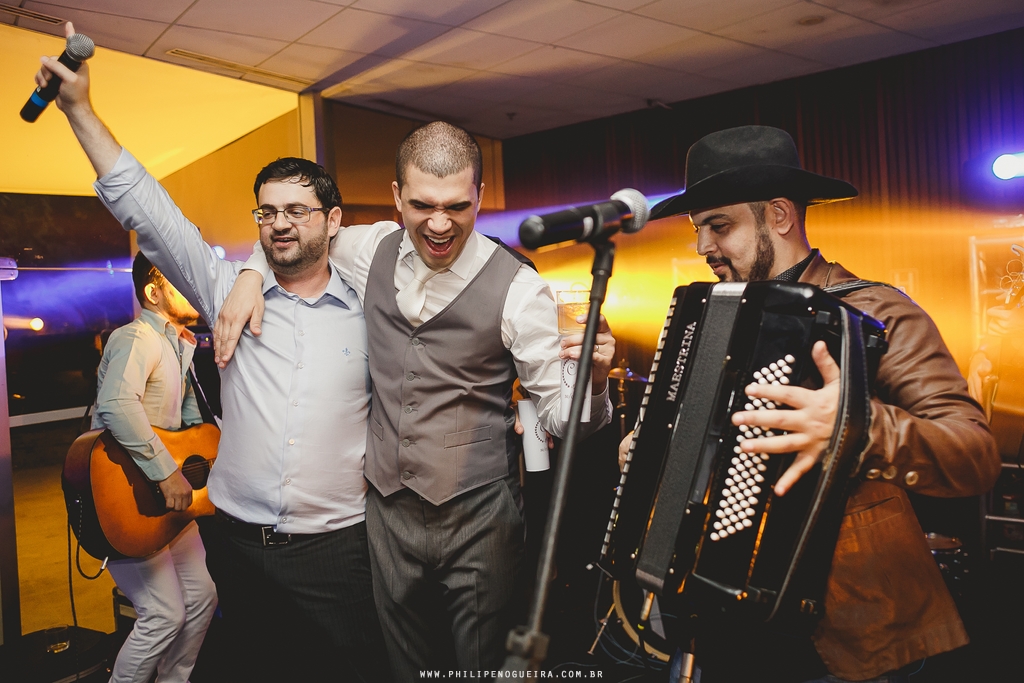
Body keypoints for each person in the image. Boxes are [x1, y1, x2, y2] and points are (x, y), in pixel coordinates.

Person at [38, 23, 390, 682]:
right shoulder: (225, 290)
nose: (280, 222)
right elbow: (147, 205)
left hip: (336, 550)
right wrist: (82, 110)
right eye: (266, 212)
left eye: (299, 210)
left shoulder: (374, 301)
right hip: (236, 543)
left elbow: (414, 236)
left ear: (334, 220)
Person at [216, 121, 617, 677]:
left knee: (479, 660)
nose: (439, 222)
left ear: (479, 197)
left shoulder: (521, 290)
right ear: (396, 196)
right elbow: (292, 241)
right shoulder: (366, 245)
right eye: (422, 204)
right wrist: (247, 274)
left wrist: (592, 382)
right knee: (401, 662)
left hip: (478, 512)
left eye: (457, 205)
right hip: (385, 511)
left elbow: (561, 418)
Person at [627, 125, 1001, 682]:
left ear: (778, 216)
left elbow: (974, 453)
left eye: (719, 226)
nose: (702, 247)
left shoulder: (876, 313)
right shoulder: (709, 322)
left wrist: (859, 428)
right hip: (720, 615)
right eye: (698, 228)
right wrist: (654, 454)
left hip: (849, 629)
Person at [92, 253, 217, 683]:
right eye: (180, 279)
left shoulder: (176, 343)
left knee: (202, 597)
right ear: (153, 291)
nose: (193, 284)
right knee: (164, 613)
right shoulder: (136, 338)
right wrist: (166, 474)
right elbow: (116, 405)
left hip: (166, 502)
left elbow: (185, 432)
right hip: (124, 498)